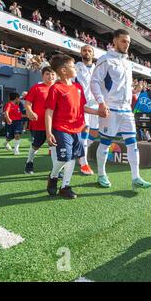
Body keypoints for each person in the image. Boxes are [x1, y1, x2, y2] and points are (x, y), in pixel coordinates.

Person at [90, 29, 151, 190]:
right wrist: (101, 103)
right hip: (110, 108)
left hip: (126, 110)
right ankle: (102, 174)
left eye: (129, 42)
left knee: (133, 144)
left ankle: (136, 177)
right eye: (124, 41)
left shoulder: (127, 63)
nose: (127, 45)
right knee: (105, 142)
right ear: (115, 41)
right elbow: (95, 82)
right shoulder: (105, 59)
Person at [45, 54, 99, 199]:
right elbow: (49, 111)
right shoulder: (56, 88)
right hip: (61, 129)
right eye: (73, 66)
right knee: (64, 157)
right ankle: (53, 176)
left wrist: (97, 112)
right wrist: (49, 132)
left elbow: (83, 107)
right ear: (63, 70)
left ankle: (65, 187)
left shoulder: (77, 87)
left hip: (77, 129)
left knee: (73, 157)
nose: (76, 69)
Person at [23, 66, 57, 174]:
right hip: (39, 124)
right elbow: (28, 102)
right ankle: (29, 161)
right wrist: (30, 111)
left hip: (55, 124)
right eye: (47, 74)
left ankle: (56, 170)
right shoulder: (36, 88)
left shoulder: (58, 88)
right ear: (42, 76)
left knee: (54, 146)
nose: (50, 76)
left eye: (52, 74)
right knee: (36, 145)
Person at [75, 45, 98, 175]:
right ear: (81, 52)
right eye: (84, 50)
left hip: (96, 105)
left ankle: (80, 153)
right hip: (82, 104)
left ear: (93, 54)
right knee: (85, 130)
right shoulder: (76, 67)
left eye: (89, 51)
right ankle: (84, 163)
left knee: (94, 133)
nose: (87, 52)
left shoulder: (97, 68)